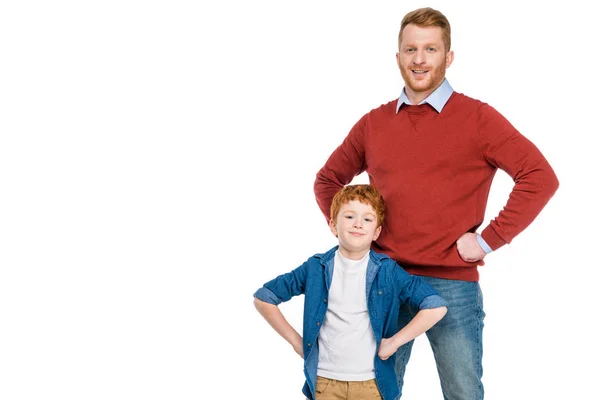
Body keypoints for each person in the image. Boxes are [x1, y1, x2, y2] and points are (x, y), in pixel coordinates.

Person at [313, 7, 559, 400]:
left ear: (449, 57)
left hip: (452, 286)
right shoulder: (374, 123)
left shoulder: (478, 118)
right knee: (374, 391)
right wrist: (353, 235)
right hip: (385, 283)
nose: (419, 59)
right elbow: (328, 180)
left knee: (462, 393)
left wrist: (487, 240)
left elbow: (539, 177)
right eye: (410, 49)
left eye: (430, 49)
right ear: (398, 57)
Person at [253, 184, 448, 400]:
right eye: (349, 216)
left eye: (367, 219)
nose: (357, 224)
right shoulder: (315, 267)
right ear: (333, 225)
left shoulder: (388, 271)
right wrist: (296, 342)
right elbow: (264, 298)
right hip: (324, 383)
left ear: (376, 232)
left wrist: (393, 343)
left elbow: (435, 306)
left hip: (372, 385)